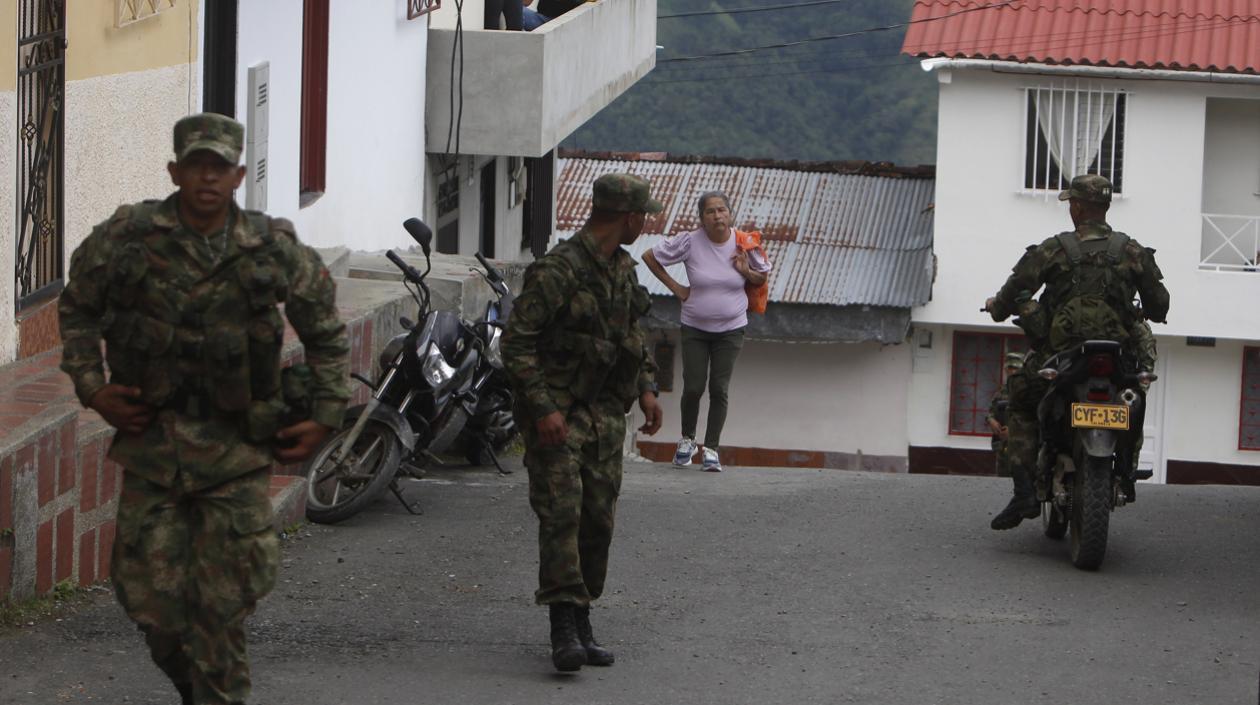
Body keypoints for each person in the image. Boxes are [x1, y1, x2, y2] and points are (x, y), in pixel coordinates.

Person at [57, 113, 349, 705]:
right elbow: (78, 306)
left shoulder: (270, 246)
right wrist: (93, 387)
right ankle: (197, 688)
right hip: (152, 446)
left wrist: (325, 411)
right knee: (150, 605)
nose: (208, 178)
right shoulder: (128, 237)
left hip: (235, 450)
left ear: (239, 175)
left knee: (221, 608)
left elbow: (324, 330)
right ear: (174, 171)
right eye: (196, 166)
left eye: (219, 167)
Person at [501, 172, 664, 672]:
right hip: (559, 415)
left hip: (604, 418)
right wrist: (542, 408)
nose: (645, 224)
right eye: (643, 216)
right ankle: (563, 628)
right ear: (629, 218)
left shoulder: (622, 269)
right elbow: (516, 342)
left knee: (597, 521)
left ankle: (583, 617)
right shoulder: (559, 269)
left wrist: (647, 387)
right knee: (562, 515)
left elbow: (632, 334)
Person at [984, 174, 1169, 530]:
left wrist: (997, 307)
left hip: (1062, 355)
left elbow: (1015, 289)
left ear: (1079, 207)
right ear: (1105, 207)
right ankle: (1126, 470)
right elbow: (1160, 306)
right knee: (1134, 399)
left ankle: (1024, 492)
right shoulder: (1132, 251)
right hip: (1116, 357)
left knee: (1020, 401)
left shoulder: (1054, 249)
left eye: (1072, 202)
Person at [642, 191, 771, 472]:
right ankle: (687, 440)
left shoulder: (743, 242)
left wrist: (745, 271)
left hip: (731, 329)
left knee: (719, 388)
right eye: (710, 211)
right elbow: (650, 256)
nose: (717, 216)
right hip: (695, 328)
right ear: (701, 218)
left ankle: (711, 449)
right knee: (693, 386)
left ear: (730, 214)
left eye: (722, 210)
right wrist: (677, 288)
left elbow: (762, 277)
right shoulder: (690, 241)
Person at [986, 352, 1024, 478]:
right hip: (1003, 446)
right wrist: (991, 421)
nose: (1012, 371)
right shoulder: (1002, 391)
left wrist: (1013, 430)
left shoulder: (1027, 392)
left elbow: (1032, 418)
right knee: (1002, 480)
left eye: (1016, 368)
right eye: (1010, 368)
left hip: (1022, 447)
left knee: (1020, 480)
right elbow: (991, 411)